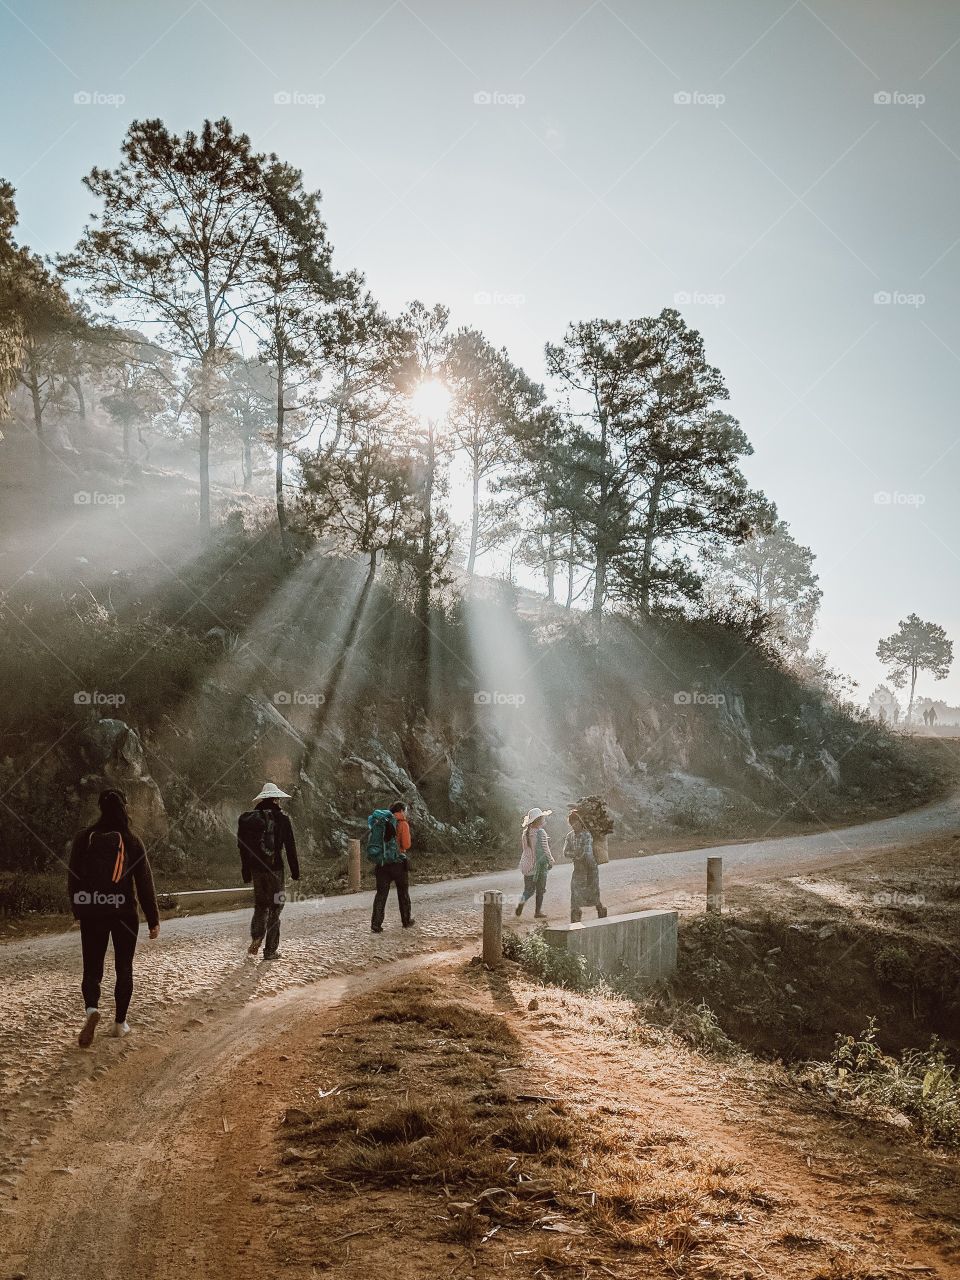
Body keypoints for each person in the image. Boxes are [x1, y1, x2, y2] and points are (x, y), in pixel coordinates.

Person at [68, 788, 160, 1047]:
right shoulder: (132, 840)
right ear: (125, 808)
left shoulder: (84, 838)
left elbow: (73, 877)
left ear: (100, 808)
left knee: (92, 969)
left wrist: (79, 910)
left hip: (93, 911)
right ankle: (120, 1024)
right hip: (124, 913)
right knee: (124, 968)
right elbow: (144, 883)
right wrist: (153, 919)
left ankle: (91, 1010)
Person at [238, 782, 300, 961]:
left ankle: (257, 935)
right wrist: (295, 871)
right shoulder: (283, 819)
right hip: (276, 871)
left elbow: (242, 848)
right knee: (276, 907)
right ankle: (270, 950)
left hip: (257, 871)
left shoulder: (249, 821)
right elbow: (290, 848)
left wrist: (246, 872)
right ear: (275, 799)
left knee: (261, 905)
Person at [367, 801, 414, 932]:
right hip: (398, 863)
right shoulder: (403, 823)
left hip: (382, 863)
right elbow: (406, 844)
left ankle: (376, 925)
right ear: (402, 810)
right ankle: (406, 921)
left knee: (381, 895)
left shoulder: (381, 822)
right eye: (405, 810)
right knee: (403, 893)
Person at [563, 808, 607, 923]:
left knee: (592, 892)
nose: (573, 825)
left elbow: (587, 853)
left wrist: (577, 856)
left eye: (575, 823)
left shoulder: (587, 835)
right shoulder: (570, 836)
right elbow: (565, 852)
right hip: (578, 868)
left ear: (580, 822)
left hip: (590, 867)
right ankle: (576, 915)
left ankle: (600, 909)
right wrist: (575, 855)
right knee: (575, 891)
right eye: (571, 823)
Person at [515, 807, 554, 919]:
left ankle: (521, 904)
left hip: (527, 865)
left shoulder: (525, 834)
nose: (543, 821)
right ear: (537, 821)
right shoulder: (541, 833)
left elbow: (526, 850)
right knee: (540, 890)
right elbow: (546, 849)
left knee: (528, 890)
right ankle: (538, 912)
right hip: (539, 866)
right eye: (542, 819)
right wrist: (551, 860)